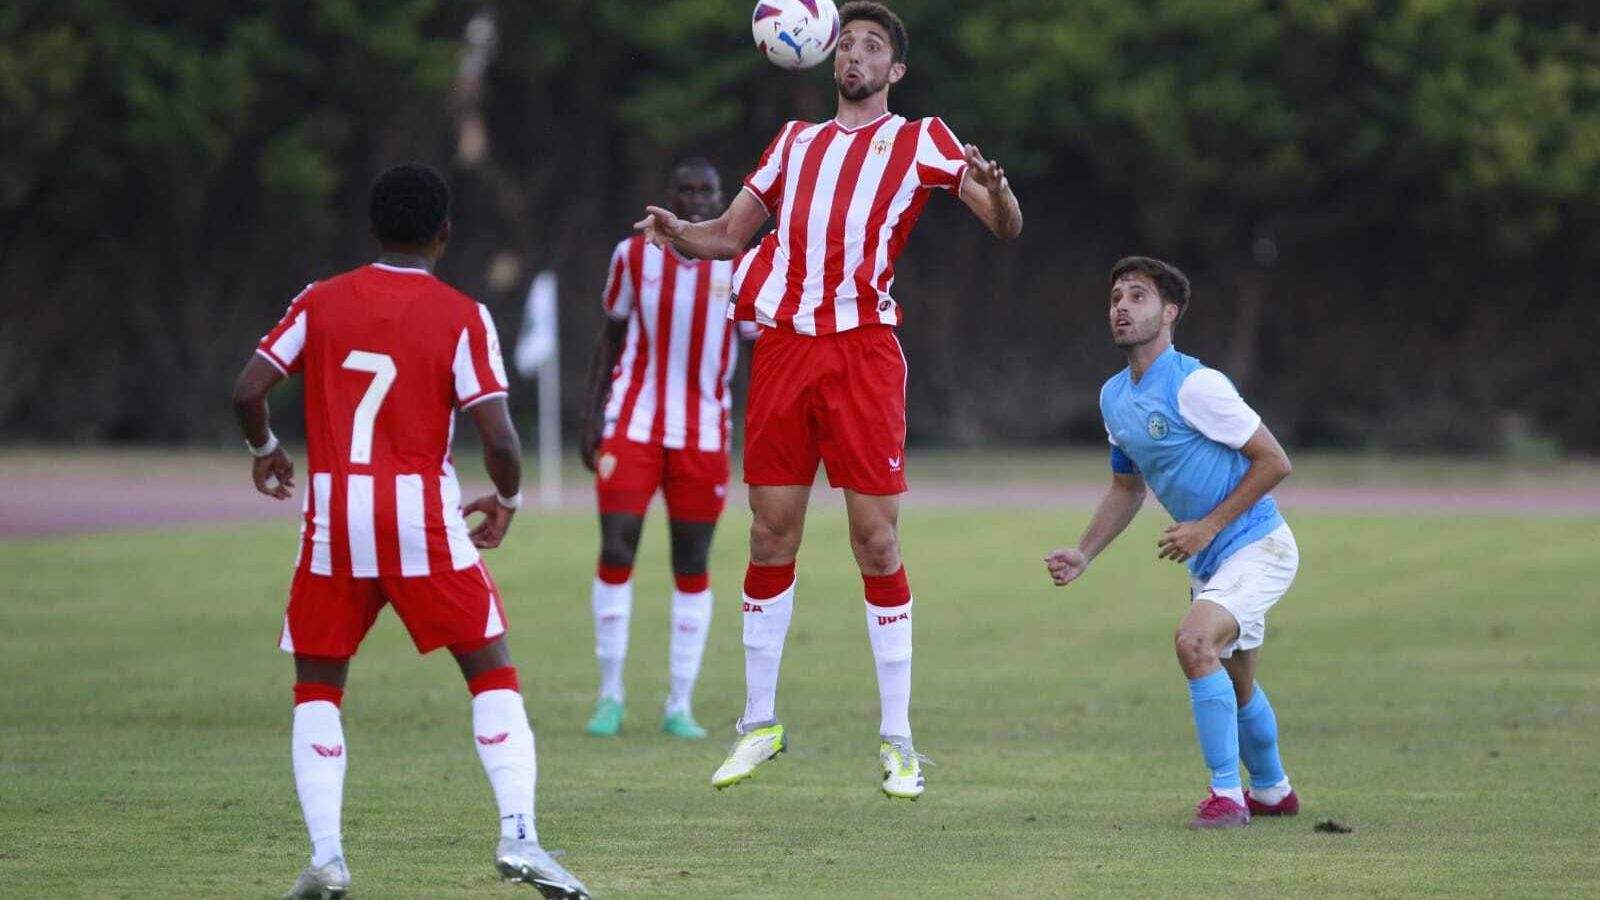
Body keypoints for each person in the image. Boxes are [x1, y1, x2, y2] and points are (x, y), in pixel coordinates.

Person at [636, 1, 1023, 799]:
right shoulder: (793, 141)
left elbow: (1003, 226)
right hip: (782, 350)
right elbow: (729, 237)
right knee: (770, 534)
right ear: (826, 57)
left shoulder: (922, 138)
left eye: (872, 45)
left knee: (875, 542)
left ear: (896, 71)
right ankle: (759, 725)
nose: (854, 53)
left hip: (862, 355)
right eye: (845, 42)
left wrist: (999, 191)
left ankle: (898, 740)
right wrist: (683, 231)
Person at [232, 163, 591, 897]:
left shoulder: (320, 300)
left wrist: (267, 452)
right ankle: (520, 836)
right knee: (491, 670)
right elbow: (500, 438)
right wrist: (509, 499)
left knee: (318, 691)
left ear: (371, 229)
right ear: (445, 234)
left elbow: (247, 390)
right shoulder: (461, 315)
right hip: (421, 519)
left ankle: (328, 857)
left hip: (333, 519)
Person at [1044, 256, 1300, 829]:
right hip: (1212, 560)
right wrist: (1085, 551)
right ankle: (1273, 789)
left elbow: (1275, 461)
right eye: (1115, 298)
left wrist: (1207, 524)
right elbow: (1126, 487)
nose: (1121, 308)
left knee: (1192, 643)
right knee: (1236, 687)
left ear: (1169, 314)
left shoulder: (1197, 385)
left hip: (1259, 545)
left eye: (1137, 297)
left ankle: (1226, 796)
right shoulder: (1114, 397)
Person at [579, 158, 749, 740]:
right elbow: (611, 335)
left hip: (704, 431)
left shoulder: (739, 264)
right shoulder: (633, 255)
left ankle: (679, 704)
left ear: (723, 199)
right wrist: (591, 415)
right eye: (688, 192)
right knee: (617, 546)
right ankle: (610, 696)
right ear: (670, 197)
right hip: (634, 420)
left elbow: (760, 350)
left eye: (709, 193)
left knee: (691, 561)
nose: (698, 202)